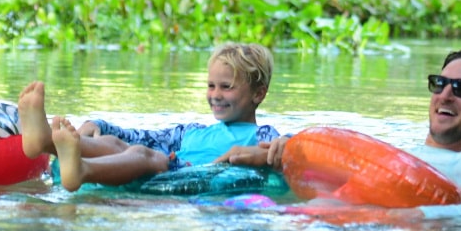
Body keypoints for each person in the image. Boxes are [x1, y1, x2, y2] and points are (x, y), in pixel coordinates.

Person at [225, 47, 461, 219]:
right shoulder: (403, 157)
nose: (445, 95)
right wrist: (288, 154)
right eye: (439, 84)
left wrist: (415, 215)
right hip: (298, 221)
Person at [16, 42, 281, 191]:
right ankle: (45, 142)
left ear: (258, 94)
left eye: (227, 87)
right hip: (165, 166)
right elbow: (140, 135)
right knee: (118, 143)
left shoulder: (263, 136)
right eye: (211, 86)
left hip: (182, 176)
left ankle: (83, 170)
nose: (216, 95)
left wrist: (257, 154)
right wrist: (98, 124)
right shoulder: (190, 132)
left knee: (145, 154)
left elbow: (292, 150)